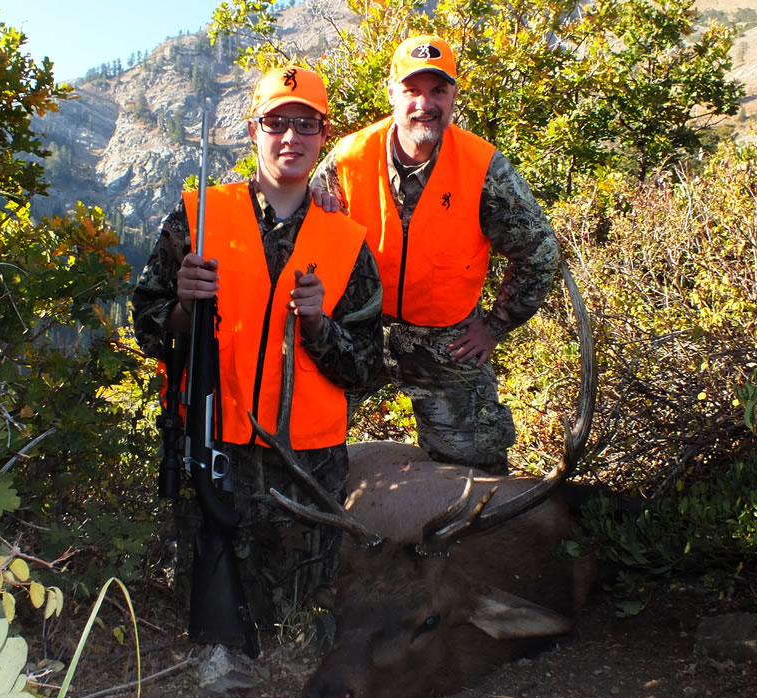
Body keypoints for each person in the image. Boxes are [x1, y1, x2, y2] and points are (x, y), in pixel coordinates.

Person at [131, 66, 384, 645]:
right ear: (253, 130)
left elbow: (367, 368)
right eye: (276, 122)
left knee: (301, 626)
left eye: (306, 124)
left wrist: (319, 326)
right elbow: (146, 326)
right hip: (213, 447)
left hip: (307, 469)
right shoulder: (196, 217)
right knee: (210, 624)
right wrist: (182, 307)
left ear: (323, 135)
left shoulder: (347, 240)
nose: (290, 137)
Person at [313, 34, 561, 476]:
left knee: (478, 465)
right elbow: (303, 239)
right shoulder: (348, 159)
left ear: (453, 96)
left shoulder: (483, 167)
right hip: (359, 328)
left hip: (446, 337)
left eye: (438, 91)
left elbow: (540, 252)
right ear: (392, 92)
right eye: (412, 90)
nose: (424, 104)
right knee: (303, 435)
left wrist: (494, 326)